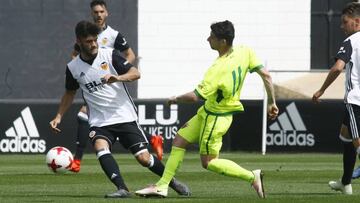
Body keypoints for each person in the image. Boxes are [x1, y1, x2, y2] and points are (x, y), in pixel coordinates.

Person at [135, 20, 278, 198]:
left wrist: (175, 98)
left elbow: (195, 96)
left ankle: (251, 176)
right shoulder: (244, 50)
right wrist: (272, 102)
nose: (207, 39)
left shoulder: (217, 69)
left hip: (217, 118)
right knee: (179, 139)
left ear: (223, 41)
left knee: (209, 162)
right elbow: (266, 75)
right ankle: (162, 186)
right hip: (208, 111)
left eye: (212, 36)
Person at [49, 20, 190, 198]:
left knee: (143, 158)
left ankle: (173, 182)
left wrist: (118, 78)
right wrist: (59, 116)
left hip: (123, 115)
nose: (93, 44)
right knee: (100, 147)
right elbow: (69, 93)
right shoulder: (73, 67)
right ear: (79, 41)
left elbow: (136, 73)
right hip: (99, 121)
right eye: (88, 41)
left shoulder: (109, 55)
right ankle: (122, 188)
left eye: (95, 40)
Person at [70, 0, 163, 173]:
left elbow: (130, 54)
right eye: (95, 12)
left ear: (107, 13)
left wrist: (120, 72)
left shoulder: (113, 35)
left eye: (101, 12)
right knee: (85, 116)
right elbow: (75, 55)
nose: (98, 15)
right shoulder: (86, 34)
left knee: (86, 116)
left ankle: (77, 159)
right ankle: (152, 139)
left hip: (111, 86)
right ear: (92, 14)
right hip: (95, 86)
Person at [312, 2, 360, 195]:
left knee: (356, 141)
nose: (341, 26)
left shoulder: (351, 42)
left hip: (356, 99)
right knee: (346, 135)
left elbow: (337, 67)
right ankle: (345, 182)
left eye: (344, 22)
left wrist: (321, 90)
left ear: (356, 22)